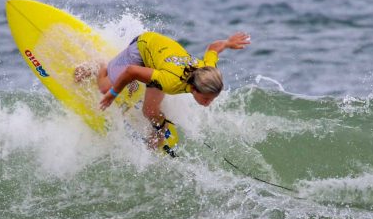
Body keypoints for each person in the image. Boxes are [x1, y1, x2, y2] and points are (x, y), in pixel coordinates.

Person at [85, 31, 250, 138]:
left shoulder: (208, 71)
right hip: (144, 46)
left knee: (150, 112)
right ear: (193, 88)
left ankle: (157, 134)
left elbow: (214, 47)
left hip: (161, 60)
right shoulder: (170, 82)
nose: (208, 103)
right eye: (206, 99)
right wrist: (112, 94)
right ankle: (100, 66)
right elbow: (131, 71)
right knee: (105, 87)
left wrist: (228, 43)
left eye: (212, 99)